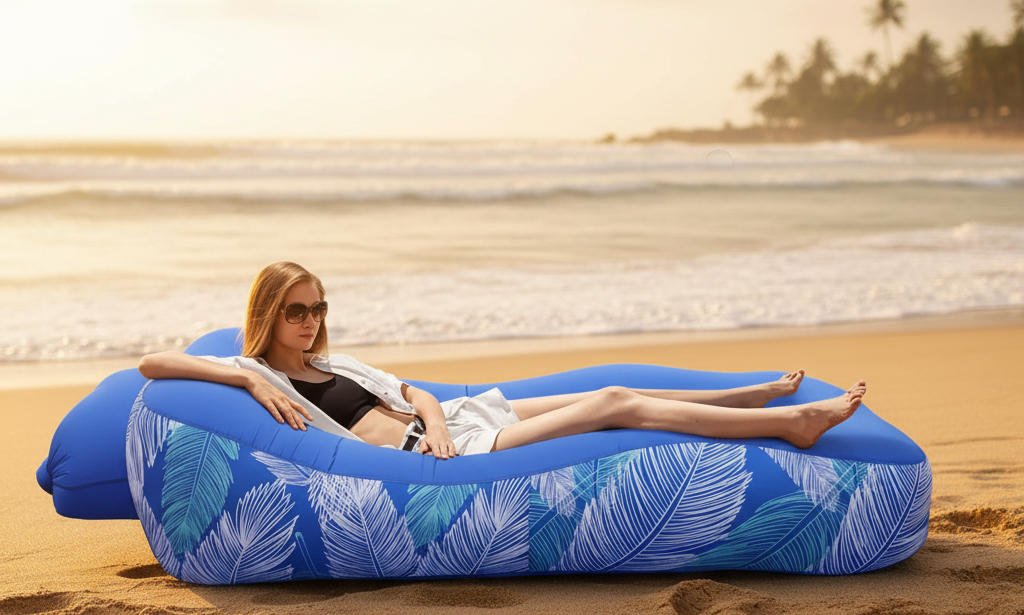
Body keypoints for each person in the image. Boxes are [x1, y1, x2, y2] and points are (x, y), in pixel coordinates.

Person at [139, 261, 866, 459]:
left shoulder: (339, 364)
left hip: (453, 426)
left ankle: (748, 397)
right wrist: (236, 371)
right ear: (269, 316)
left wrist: (442, 421)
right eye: (296, 311)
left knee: (614, 388)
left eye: (318, 307)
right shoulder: (264, 375)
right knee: (616, 406)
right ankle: (791, 423)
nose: (310, 322)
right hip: (441, 453)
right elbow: (153, 364)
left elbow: (413, 393)